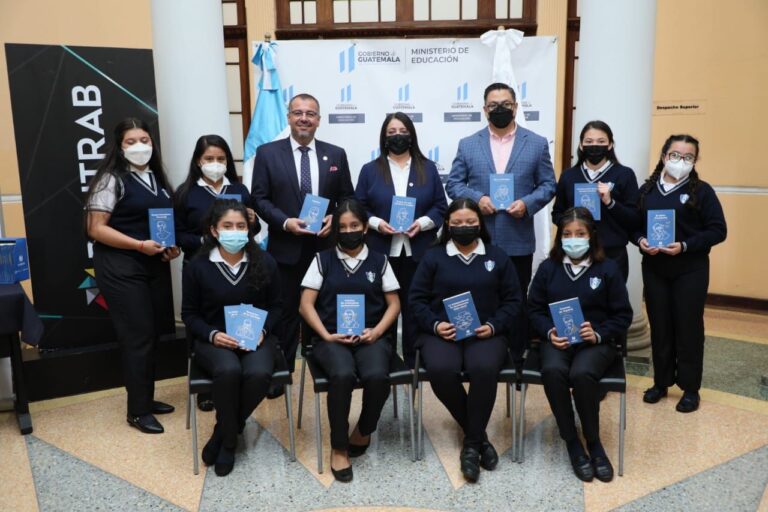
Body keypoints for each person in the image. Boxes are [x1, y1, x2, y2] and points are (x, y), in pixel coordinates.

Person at [409, 198, 522, 483]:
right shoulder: (433, 257)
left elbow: (513, 300)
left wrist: (493, 326)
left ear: (480, 224)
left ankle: (470, 446)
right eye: (457, 223)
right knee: (441, 369)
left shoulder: (497, 256)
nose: (464, 227)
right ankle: (479, 437)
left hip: (485, 333)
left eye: (470, 222)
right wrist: (436, 325)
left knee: (483, 368)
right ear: (448, 225)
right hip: (442, 333)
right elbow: (416, 300)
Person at [251, 93, 355, 397]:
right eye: (298, 113)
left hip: (326, 250)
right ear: (289, 117)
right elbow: (259, 198)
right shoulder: (268, 153)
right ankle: (282, 373)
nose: (304, 118)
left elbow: (347, 196)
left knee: (326, 310)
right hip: (286, 250)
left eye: (310, 113)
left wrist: (336, 217)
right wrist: (285, 222)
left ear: (319, 120)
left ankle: (332, 368)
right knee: (285, 313)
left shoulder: (335, 154)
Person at [445, 82, 556, 358]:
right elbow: (454, 184)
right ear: (485, 109)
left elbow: (548, 185)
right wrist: (478, 199)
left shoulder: (536, 143)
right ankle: (478, 355)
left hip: (518, 239)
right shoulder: (468, 144)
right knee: (480, 299)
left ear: (515, 107)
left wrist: (527, 204)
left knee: (515, 301)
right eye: (493, 105)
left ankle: (515, 359)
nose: (500, 109)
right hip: (476, 240)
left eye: (506, 104)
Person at [84, 118, 180, 434]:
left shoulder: (157, 179)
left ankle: (145, 398)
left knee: (151, 334)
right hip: (120, 266)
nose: (140, 146)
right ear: (119, 146)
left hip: (152, 265)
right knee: (137, 336)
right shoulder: (111, 179)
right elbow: (96, 228)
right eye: (131, 141)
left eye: (145, 140)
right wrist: (139, 245)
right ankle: (137, 411)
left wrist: (169, 248)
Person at [299, 199, 400, 483]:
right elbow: (305, 305)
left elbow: (394, 304)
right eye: (342, 227)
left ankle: (364, 430)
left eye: (354, 225)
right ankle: (340, 447)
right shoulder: (322, 260)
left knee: (377, 376)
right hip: (330, 338)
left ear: (365, 227)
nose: (348, 231)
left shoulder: (380, 261)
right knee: (342, 375)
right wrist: (325, 334)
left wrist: (376, 332)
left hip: (371, 337)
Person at [528, 207, 632, 483]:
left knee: (582, 374)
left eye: (580, 234)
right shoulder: (548, 268)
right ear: (560, 237)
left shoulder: (607, 269)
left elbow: (623, 315)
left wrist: (597, 333)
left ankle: (594, 443)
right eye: (567, 234)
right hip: (557, 339)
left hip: (595, 342)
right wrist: (548, 331)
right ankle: (572, 441)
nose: (573, 239)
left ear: (591, 236)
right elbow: (533, 309)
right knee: (553, 371)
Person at [181, 199, 283, 476]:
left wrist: (263, 331)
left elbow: (277, 306)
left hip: (257, 339)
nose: (235, 231)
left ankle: (222, 434)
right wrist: (213, 334)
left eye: (241, 226)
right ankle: (229, 443)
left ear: (248, 229)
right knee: (228, 370)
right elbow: (189, 314)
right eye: (228, 226)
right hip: (213, 340)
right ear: (214, 230)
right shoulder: (198, 266)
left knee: (259, 373)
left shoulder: (265, 262)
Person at [633, 135, 727, 413]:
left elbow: (718, 230)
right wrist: (640, 240)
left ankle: (690, 388)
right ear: (664, 156)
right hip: (655, 269)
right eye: (675, 155)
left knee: (688, 328)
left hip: (690, 270)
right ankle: (661, 382)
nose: (680, 161)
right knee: (660, 326)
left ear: (695, 161)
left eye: (688, 157)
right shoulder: (647, 190)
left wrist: (685, 245)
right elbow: (633, 226)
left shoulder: (702, 192)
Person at [355, 112, 447, 368]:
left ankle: (413, 366)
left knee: (415, 308)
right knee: (382, 309)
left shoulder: (427, 168)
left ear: (411, 135)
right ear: (384, 137)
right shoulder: (370, 170)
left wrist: (422, 223)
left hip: (419, 252)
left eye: (403, 131)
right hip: (381, 252)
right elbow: (358, 207)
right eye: (392, 132)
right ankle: (384, 365)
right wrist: (377, 224)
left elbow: (440, 207)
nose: (398, 136)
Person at [174, 134, 260, 411]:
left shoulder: (239, 190)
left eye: (221, 159)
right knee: (203, 320)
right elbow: (177, 234)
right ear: (198, 161)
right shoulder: (186, 193)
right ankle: (206, 387)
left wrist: (253, 221)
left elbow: (253, 229)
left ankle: (240, 371)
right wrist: (207, 240)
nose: (215, 163)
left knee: (240, 317)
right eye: (209, 158)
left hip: (239, 266)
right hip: (200, 266)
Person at [552, 121, 641, 281]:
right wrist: (572, 223)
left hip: (612, 253)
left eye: (601, 141)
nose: (594, 146)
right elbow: (557, 213)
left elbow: (634, 219)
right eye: (589, 141)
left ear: (610, 145)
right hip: (576, 253)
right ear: (581, 145)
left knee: (613, 295)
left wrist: (610, 202)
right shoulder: (568, 176)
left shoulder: (624, 174)